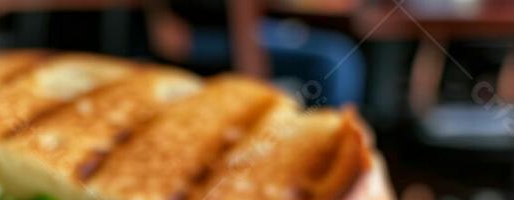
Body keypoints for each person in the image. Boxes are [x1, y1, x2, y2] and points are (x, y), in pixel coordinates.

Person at [146, 0, 366, 107]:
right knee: (333, 61)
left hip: (242, 29)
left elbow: (245, 17)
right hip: (197, 34)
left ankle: (329, 148)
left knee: (338, 55)